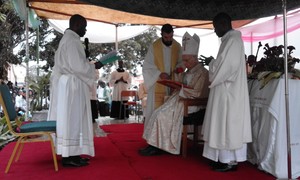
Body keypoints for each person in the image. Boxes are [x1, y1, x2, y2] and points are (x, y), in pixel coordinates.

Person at [139, 32, 209, 156]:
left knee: (162, 115)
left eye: (187, 60)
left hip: (189, 103)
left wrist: (181, 89)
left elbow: (199, 93)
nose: (185, 64)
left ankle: (159, 146)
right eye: (184, 60)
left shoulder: (202, 72)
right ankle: (154, 144)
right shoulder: (189, 71)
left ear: (195, 58)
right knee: (157, 112)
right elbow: (182, 83)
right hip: (180, 100)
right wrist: (177, 79)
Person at [48, 14, 103, 167]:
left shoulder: (69, 39)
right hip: (72, 87)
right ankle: (69, 157)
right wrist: (94, 66)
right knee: (72, 120)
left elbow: (75, 64)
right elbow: (78, 67)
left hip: (71, 85)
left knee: (74, 120)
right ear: (77, 25)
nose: (85, 30)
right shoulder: (72, 41)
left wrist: (87, 63)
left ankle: (73, 154)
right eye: (84, 27)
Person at [201, 12, 252, 172]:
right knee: (223, 125)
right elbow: (224, 65)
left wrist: (211, 63)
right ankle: (222, 159)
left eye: (215, 28)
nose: (215, 31)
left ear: (223, 24)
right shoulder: (229, 40)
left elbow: (226, 68)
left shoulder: (233, 40)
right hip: (225, 91)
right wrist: (214, 63)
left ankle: (230, 162)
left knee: (227, 126)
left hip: (229, 93)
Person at [142, 23, 182, 130]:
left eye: (170, 37)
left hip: (172, 85)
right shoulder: (154, 47)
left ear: (173, 34)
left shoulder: (178, 47)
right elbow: (147, 66)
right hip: (158, 85)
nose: (168, 40)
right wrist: (159, 73)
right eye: (166, 37)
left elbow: (181, 62)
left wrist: (178, 69)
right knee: (155, 112)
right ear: (161, 34)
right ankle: (152, 139)